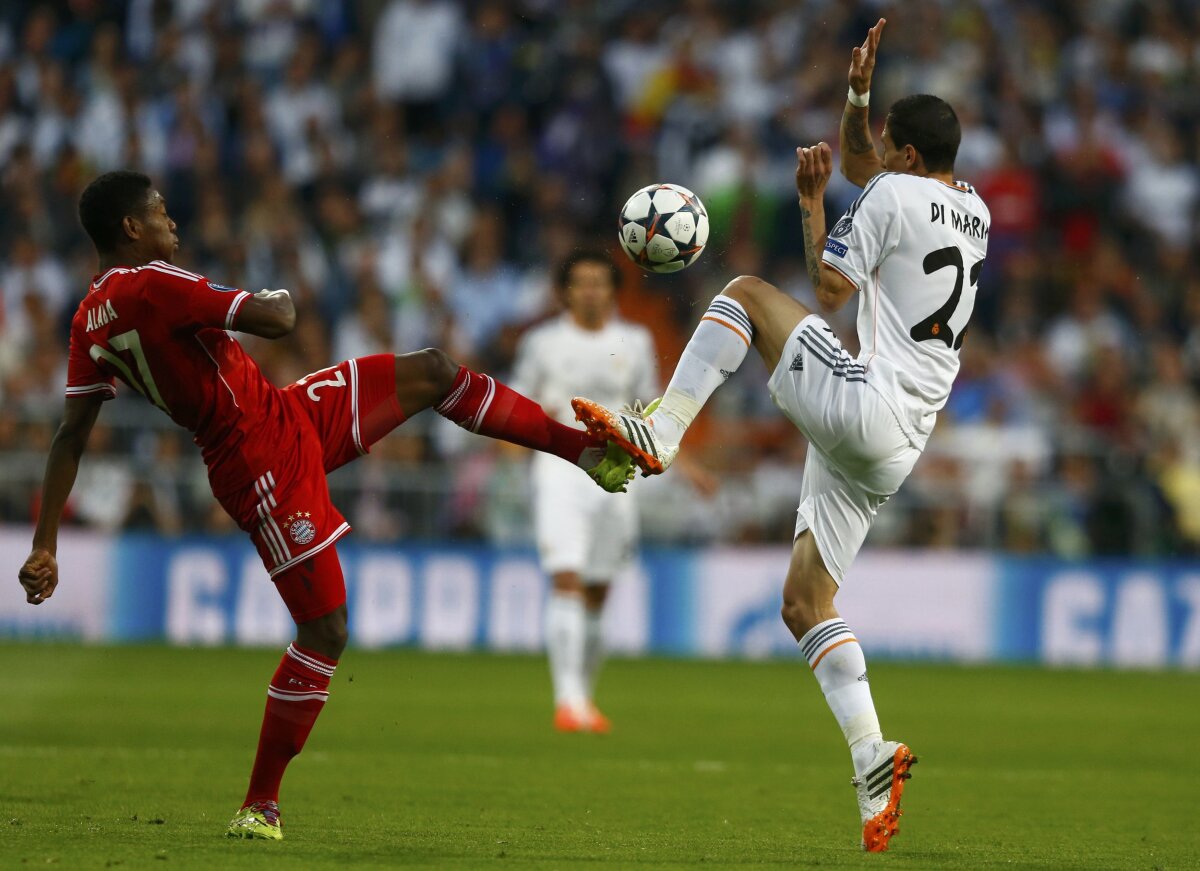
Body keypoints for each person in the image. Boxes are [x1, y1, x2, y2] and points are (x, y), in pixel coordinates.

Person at [16, 170, 634, 841]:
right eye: (162, 214)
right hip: (254, 458)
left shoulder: (88, 320)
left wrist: (45, 542)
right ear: (131, 228)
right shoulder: (154, 281)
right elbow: (277, 318)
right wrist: (275, 290)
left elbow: (68, 435)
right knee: (327, 628)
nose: (173, 224)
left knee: (431, 369)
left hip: (283, 414)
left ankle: (588, 453)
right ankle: (260, 802)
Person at [571, 19, 990, 853]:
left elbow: (830, 290)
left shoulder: (891, 194)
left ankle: (661, 427)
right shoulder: (967, 206)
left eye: (885, 145)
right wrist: (859, 99)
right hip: (901, 439)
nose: (873, 154)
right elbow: (867, 163)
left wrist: (809, 203)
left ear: (906, 156)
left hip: (868, 402)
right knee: (805, 603)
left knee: (743, 293)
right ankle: (873, 758)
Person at [510, 251, 658, 733]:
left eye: (599, 282)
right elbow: (521, 404)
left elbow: (649, 413)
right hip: (558, 470)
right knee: (566, 577)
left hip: (617, 478)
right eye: (581, 283)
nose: (591, 290)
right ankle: (568, 700)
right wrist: (511, 455)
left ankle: (583, 698)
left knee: (598, 590)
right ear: (566, 291)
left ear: (613, 290)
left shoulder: (636, 341)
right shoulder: (542, 343)